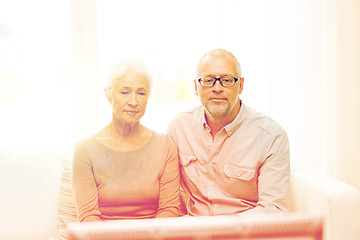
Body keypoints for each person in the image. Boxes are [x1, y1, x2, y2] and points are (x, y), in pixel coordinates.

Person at [167, 49, 290, 216]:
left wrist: (221, 229)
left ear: (240, 85)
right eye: (208, 80)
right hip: (192, 230)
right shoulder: (179, 127)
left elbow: (273, 209)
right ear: (196, 86)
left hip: (244, 233)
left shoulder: (271, 136)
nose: (217, 88)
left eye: (226, 80)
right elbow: (168, 195)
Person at [72, 60, 180, 221]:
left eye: (141, 93)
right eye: (124, 92)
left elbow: (169, 210)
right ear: (108, 95)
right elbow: (88, 217)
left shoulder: (165, 145)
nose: (133, 102)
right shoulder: (85, 149)